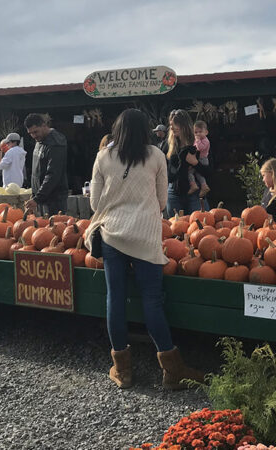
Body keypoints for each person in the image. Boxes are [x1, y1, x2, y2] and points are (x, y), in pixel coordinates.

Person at [85, 108, 204, 390]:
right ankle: (172, 370)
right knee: (152, 300)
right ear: (147, 130)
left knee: (115, 298)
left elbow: (94, 204)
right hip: (146, 234)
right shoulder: (156, 155)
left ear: (118, 130)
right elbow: (162, 201)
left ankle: (122, 370)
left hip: (112, 235)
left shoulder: (103, 156)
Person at [165, 109, 210, 216]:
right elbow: (170, 176)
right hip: (175, 193)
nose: (171, 127)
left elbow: (209, 171)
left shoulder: (199, 144)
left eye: (175, 124)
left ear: (184, 125)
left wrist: (195, 163)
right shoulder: (169, 146)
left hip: (195, 193)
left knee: (200, 226)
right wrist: (183, 163)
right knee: (176, 229)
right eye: (170, 124)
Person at [24, 113, 69, 216]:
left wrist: (38, 197)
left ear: (44, 125)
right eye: (30, 133)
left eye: (36, 132)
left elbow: (53, 174)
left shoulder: (55, 143)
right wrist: (35, 195)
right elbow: (37, 171)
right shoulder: (40, 140)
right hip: (42, 198)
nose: (34, 136)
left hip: (54, 199)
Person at [188, 120, 210, 197]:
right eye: (196, 132)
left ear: (206, 132)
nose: (198, 134)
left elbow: (200, 148)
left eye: (200, 132)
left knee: (190, 172)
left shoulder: (205, 141)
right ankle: (204, 186)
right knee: (198, 174)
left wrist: (197, 140)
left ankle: (193, 185)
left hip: (202, 160)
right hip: (198, 159)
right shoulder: (198, 140)